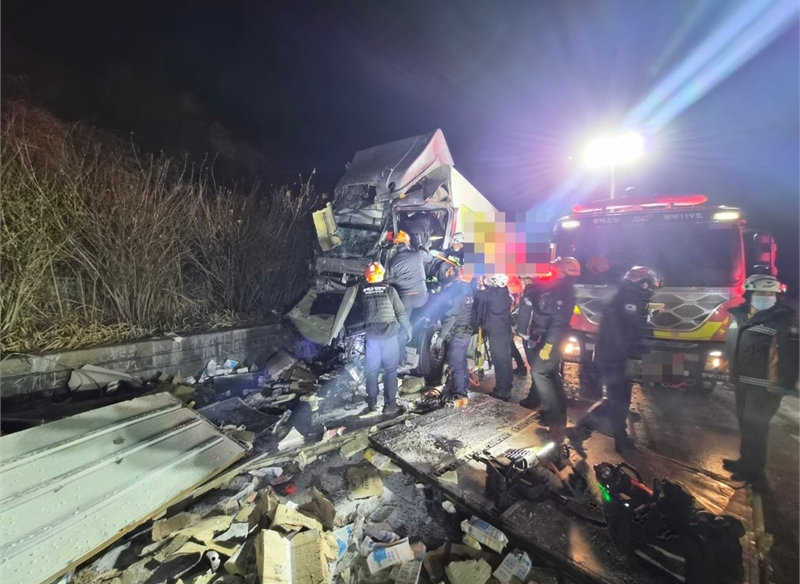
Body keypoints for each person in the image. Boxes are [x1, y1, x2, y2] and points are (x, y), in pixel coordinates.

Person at [722, 274, 798, 483]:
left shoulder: (783, 319)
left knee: (756, 427)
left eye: (771, 293)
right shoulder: (740, 316)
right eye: (761, 293)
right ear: (749, 294)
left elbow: (791, 355)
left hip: (766, 386)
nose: (767, 297)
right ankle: (745, 460)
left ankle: (753, 471)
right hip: (742, 381)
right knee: (744, 423)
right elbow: (732, 345)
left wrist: (784, 384)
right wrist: (727, 367)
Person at [584, 266, 663, 452]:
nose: (650, 290)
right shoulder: (628, 299)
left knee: (615, 397)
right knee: (619, 398)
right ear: (642, 283)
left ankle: (606, 427)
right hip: (617, 358)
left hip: (614, 356)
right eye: (648, 285)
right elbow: (628, 331)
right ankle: (618, 438)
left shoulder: (624, 296)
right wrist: (641, 352)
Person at [516, 258, 579, 431]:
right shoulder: (556, 286)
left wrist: (549, 345)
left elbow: (558, 322)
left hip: (551, 339)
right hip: (543, 336)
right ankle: (555, 414)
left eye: (556, 269)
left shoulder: (563, 292)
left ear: (563, 271)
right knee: (550, 374)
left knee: (539, 372)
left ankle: (555, 417)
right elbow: (540, 302)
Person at [360, 261, 412, 416]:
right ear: (382, 274)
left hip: (372, 338)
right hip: (389, 336)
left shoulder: (362, 293)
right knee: (390, 371)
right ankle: (390, 405)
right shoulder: (390, 290)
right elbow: (400, 312)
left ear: (367, 277)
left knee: (372, 371)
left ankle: (371, 404)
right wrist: (408, 327)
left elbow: (362, 312)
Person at [474, 274, 515, 401]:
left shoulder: (495, 295)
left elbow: (478, 294)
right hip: (503, 332)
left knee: (500, 361)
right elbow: (489, 291)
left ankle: (502, 391)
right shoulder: (502, 291)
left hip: (498, 334)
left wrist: (474, 282)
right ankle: (506, 386)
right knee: (505, 361)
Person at [439, 267, 475, 404]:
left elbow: (452, 315)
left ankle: (460, 393)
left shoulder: (459, 291)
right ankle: (463, 386)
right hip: (465, 331)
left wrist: (442, 336)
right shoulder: (468, 289)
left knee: (455, 364)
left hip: (458, 332)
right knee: (462, 362)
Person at [386, 230, 430, 319]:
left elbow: (391, 278)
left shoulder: (392, 261)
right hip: (421, 297)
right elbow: (430, 258)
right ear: (408, 243)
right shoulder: (418, 254)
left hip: (405, 299)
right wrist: (420, 245)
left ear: (395, 245)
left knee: (405, 320)